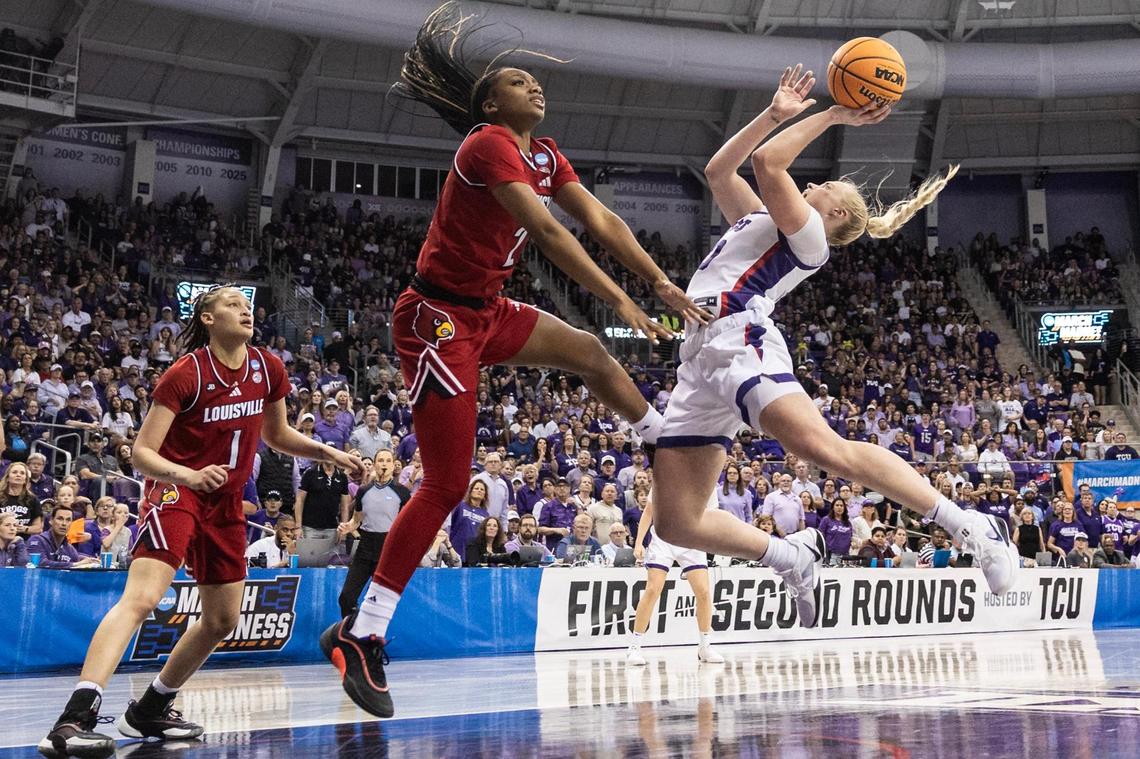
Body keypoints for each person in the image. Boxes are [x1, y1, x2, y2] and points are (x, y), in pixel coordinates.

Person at [320, 4, 711, 720]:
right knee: (445, 482)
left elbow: (601, 220)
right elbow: (546, 230)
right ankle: (364, 629)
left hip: (486, 310)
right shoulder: (486, 144)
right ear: (490, 102)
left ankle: (659, 438)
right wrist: (618, 299)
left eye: (536, 81)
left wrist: (656, 280)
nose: (535, 87)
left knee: (589, 356)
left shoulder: (542, 151)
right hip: (436, 317)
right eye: (519, 81)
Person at [648, 64, 1016, 633]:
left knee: (825, 449)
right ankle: (791, 557)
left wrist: (833, 114)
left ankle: (967, 524)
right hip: (698, 359)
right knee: (676, 523)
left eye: (822, 188)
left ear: (835, 213)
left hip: (741, 338)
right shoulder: (761, 218)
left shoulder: (809, 236)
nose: (813, 185)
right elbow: (720, 168)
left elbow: (770, 163)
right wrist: (772, 113)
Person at [39, 286, 362, 758]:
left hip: (226, 501)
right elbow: (142, 453)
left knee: (222, 618)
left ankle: (151, 706)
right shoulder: (185, 373)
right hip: (176, 490)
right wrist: (188, 474)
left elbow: (276, 434)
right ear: (208, 318)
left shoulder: (267, 367)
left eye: (246, 304)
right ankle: (73, 719)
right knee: (144, 597)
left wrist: (326, 450)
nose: (244, 309)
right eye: (232, 304)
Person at [626, 491, 723, 666]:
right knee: (653, 589)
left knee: (704, 591)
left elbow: (710, 516)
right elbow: (649, 511)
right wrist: (639, 542)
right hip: (664, 538)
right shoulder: (666, 471)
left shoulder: (708, 476)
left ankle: (705, 646)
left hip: (692, 539)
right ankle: (634, 647)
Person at [336, 450, 411, 617]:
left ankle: (370, 637)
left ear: (393, 466)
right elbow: (356, 520)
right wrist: (347, 527)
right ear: (375, 465)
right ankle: (351, 633)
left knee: (377, 604)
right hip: (365, 547)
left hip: (387, 550)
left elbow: (407, 525)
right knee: (346, 598)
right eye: (380, 460)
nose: (384, 464)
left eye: (387, 461)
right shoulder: (363, 491)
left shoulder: (402, 493)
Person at [294, 449, 352, 541]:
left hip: (332, 527)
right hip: (310, 527)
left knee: (331, 555)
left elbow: (344, 506)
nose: (329, 457)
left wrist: (343, 528)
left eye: (332, 454)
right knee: (309, 555)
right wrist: (298, 526)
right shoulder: (310, 473)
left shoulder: (342, 477)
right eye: (327, 454)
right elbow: (300, 500)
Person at [27, 504, 100, 569]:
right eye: (60, 519)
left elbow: (76, 557)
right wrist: (75, 564)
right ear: (51, 521)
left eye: (68, 520)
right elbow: (41, 563)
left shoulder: (69, 548)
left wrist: (91, 560)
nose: (64, 523)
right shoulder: (37, 540)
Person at [1, 461, 42, 538]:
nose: (18, 475)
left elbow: (38, 528)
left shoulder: (32, 499)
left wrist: (24, 529)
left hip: (23, 542)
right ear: (7, 478)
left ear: (25, 480)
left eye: (22, 473)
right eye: (14, 472)